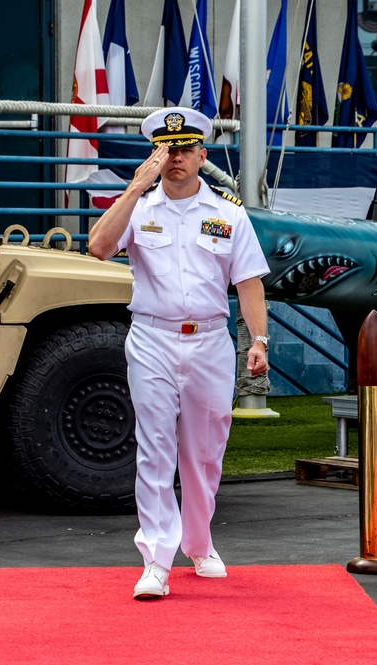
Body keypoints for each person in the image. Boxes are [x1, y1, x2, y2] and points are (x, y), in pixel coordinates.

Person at [87, 107, 270, 600]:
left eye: (186, 149)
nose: (176, 159)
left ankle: (199, 541)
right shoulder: (140, 208)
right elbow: (99, 247)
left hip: (210, 340)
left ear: (202, 155)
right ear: (155, 156)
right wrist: (132, 189)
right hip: (152, 337)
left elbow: (248, 281)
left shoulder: (228, 213)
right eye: (167, 150)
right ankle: (155, 559)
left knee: (205, 452)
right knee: (155, 449)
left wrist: (259, 339)